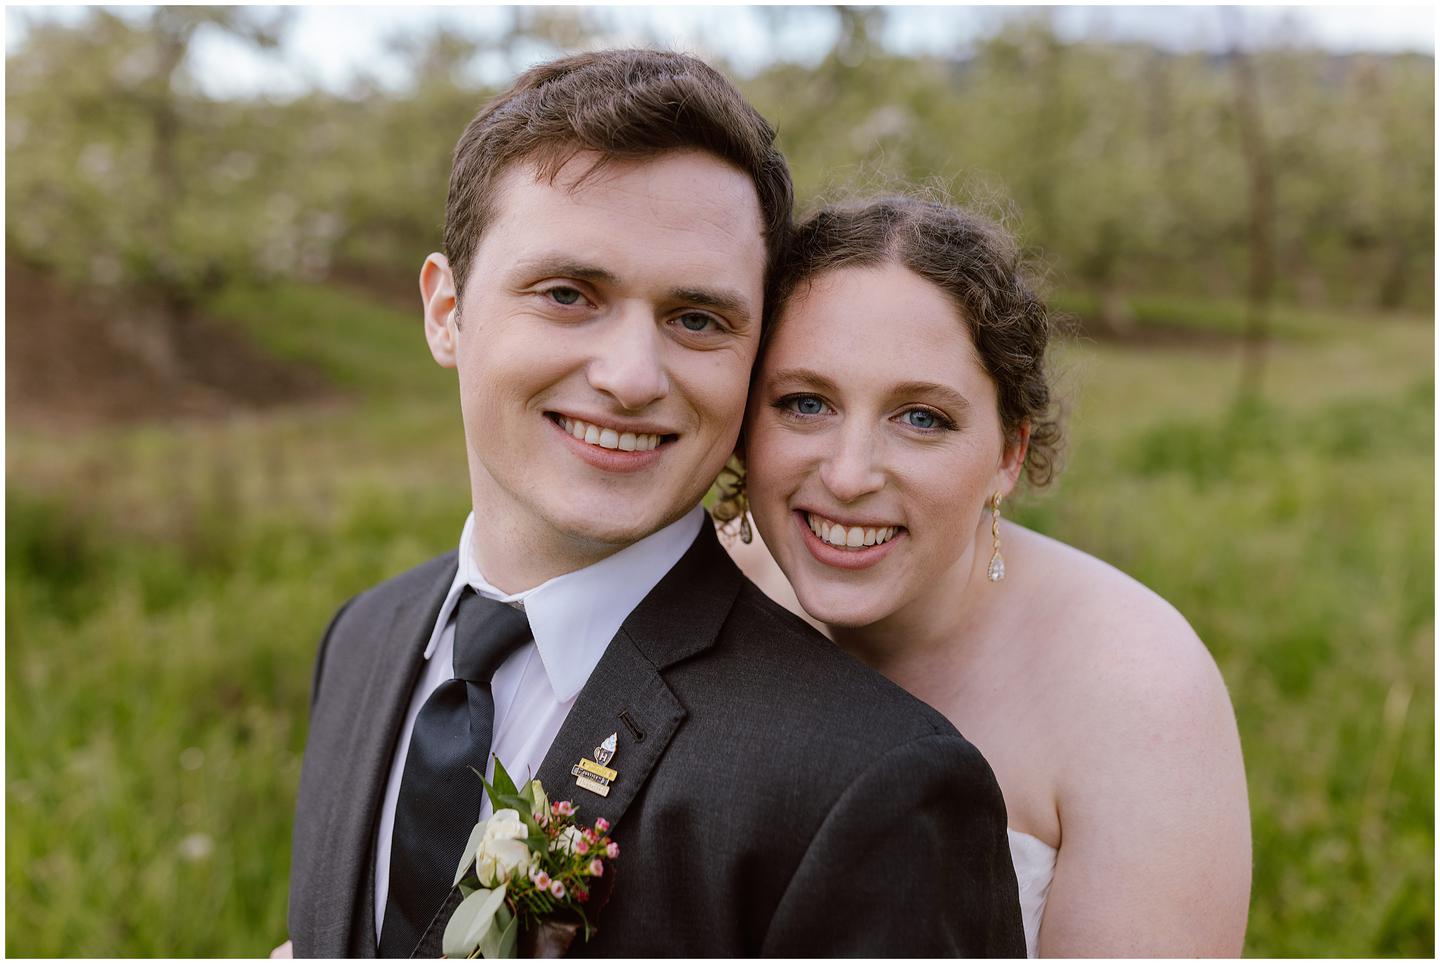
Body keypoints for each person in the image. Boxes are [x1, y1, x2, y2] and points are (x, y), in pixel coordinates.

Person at [280, 53, 1025, 958]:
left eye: (697, 319)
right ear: (447, 311)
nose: (632, 378)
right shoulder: (362, 638)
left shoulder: (868, 782)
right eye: (568, 295)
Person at [726, 195, 1253, 957]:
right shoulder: (700, 591)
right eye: (806, 403)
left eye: (921, 418)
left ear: (1009, 454)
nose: (847, 475)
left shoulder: (1139, 690)